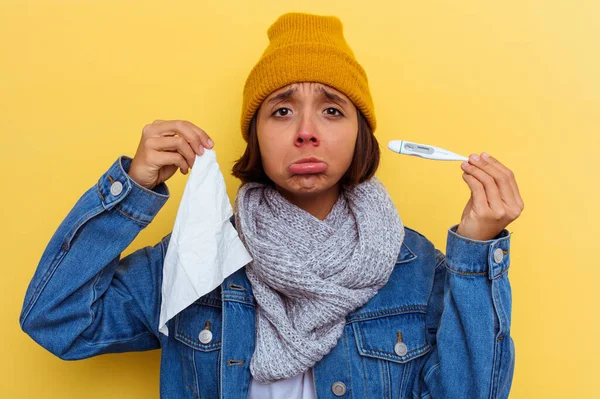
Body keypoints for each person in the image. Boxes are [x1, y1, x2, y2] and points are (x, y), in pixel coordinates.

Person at [19, 11, 524, 399]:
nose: (306, 131)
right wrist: (132, 188)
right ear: (256, 137)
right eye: (282, 110)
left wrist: (476, 253)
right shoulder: (199, 256)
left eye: (331, 109)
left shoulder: (414, 269)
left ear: (359, 136)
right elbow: (58, 320)